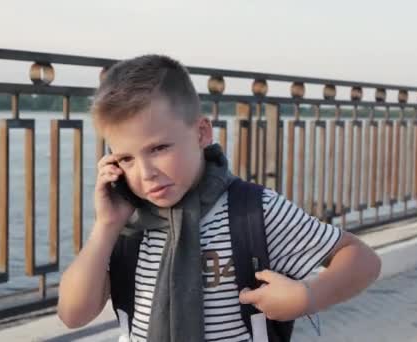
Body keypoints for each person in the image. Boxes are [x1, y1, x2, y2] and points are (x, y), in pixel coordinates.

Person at [57, 54, 381, 341]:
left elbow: (362, 259)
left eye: (158, 148)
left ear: (201, 133)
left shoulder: (253, 211)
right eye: (126, 159)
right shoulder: (128, 226)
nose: (145, 173)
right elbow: (74, 315)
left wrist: (308, 295)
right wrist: (106, 225)